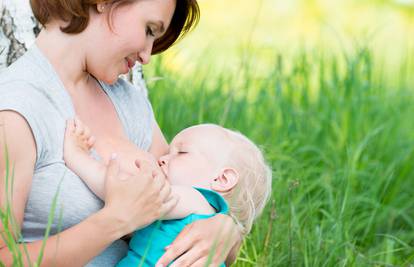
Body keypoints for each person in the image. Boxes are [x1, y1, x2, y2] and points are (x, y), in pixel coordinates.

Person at [0, 0, 241, 266]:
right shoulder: (17, 110)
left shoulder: (129, 103)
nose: (147, 57)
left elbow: (181, 198)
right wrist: (113, 222)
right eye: (150, 29)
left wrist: (226, 231)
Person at [62, 119, 272, 266]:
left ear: (222, 179)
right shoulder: (188, 212)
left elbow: (123, 191)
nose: (162, 158)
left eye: (181, 152)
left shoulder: (198, 201)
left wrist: (77, 157)